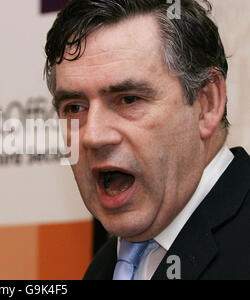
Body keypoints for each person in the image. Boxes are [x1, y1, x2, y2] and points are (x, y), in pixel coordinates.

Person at [44, 0, 249, 280]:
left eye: (128, 100)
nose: (93, 136)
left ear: (207, 103)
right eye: (75, 107)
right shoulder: (102, 268)